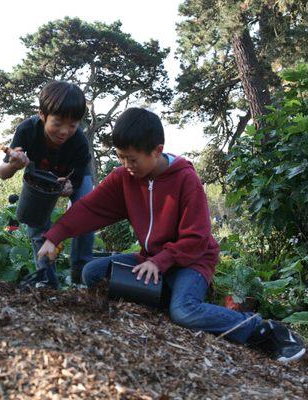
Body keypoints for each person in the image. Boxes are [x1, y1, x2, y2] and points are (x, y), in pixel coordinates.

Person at [38, 107, 305, 363]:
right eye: (121, 157)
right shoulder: (124, 178)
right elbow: (90, 207)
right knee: (93, 273)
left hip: (191, 262)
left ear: (157, 151)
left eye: (132, 159)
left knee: (184, 311)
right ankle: (166, 294)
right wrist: (55, 235)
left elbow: (197, 238)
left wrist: (161, 261)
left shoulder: (186, 180)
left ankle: (262, 329)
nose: (126, 165)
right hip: (152, 260)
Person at [0, 81, 93, 288]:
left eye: (72, 125)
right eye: (58, 123)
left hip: (72, 176)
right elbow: (2, 173)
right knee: (36, 224)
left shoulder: (79, 143)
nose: (64, 131)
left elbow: (75, 181)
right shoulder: (27, 131)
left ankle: (80, 275)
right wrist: (14, 165)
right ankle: (47, 280)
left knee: (86, 210)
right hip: (39, 180)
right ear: (42, 115)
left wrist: (70, 187)